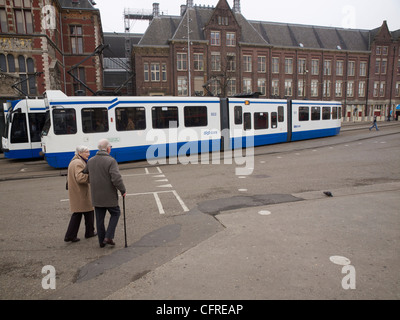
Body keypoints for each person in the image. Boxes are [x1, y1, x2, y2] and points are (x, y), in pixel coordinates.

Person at [83, 139, 126, 248]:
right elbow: (116, 178)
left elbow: (85, 171)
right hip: (109, 196)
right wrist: (123, 190)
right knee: (116, 213)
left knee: (99, 219)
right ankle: (109, 237)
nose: (110, 149)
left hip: (96, 196)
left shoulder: (91, 161)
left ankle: (101, 241)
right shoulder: (111, 161)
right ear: (107, 148)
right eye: (110, 147)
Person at [64, 146, 96, 243]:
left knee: (86, 212)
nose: (89, 154)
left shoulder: (75, 161)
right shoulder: (78, 163)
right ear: (80, 153)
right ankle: (72, 235)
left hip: (78, 192)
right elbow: (80, 178)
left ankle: (87, 232)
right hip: (80, 193)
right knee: (83, 212)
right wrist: (92, 177)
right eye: (87, 152)